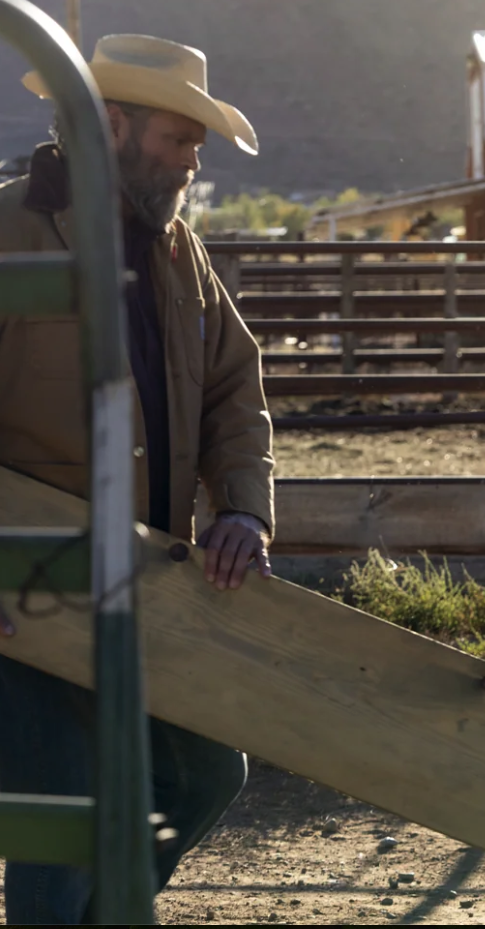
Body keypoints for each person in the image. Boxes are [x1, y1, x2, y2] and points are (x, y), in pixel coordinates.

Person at [0, 34, 273, 924]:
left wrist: (242, 507)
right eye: (176, 139)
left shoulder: (178, 251)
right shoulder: (8, 233)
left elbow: (234, 382)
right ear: (107, 125)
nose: (192, 161)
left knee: (201, 768)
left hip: (152, 578)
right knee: (72, 800)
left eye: (196, 144)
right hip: (31, 589)